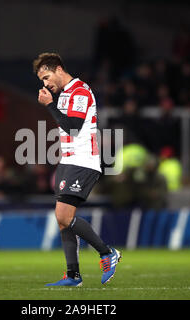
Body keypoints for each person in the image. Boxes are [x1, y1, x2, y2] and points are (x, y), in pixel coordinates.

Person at [33, 52, 121, 287]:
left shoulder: (80, 90)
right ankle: (73, 275)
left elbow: (73, 127)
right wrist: (53, 103)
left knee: (64, 216)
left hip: (83, 161)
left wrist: (50, 105)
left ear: (59, 69)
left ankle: (106, 252)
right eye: (42, 80)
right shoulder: (64, 95)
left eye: (47, 77)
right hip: (68, 161)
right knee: (62, 220)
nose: (46, 83)